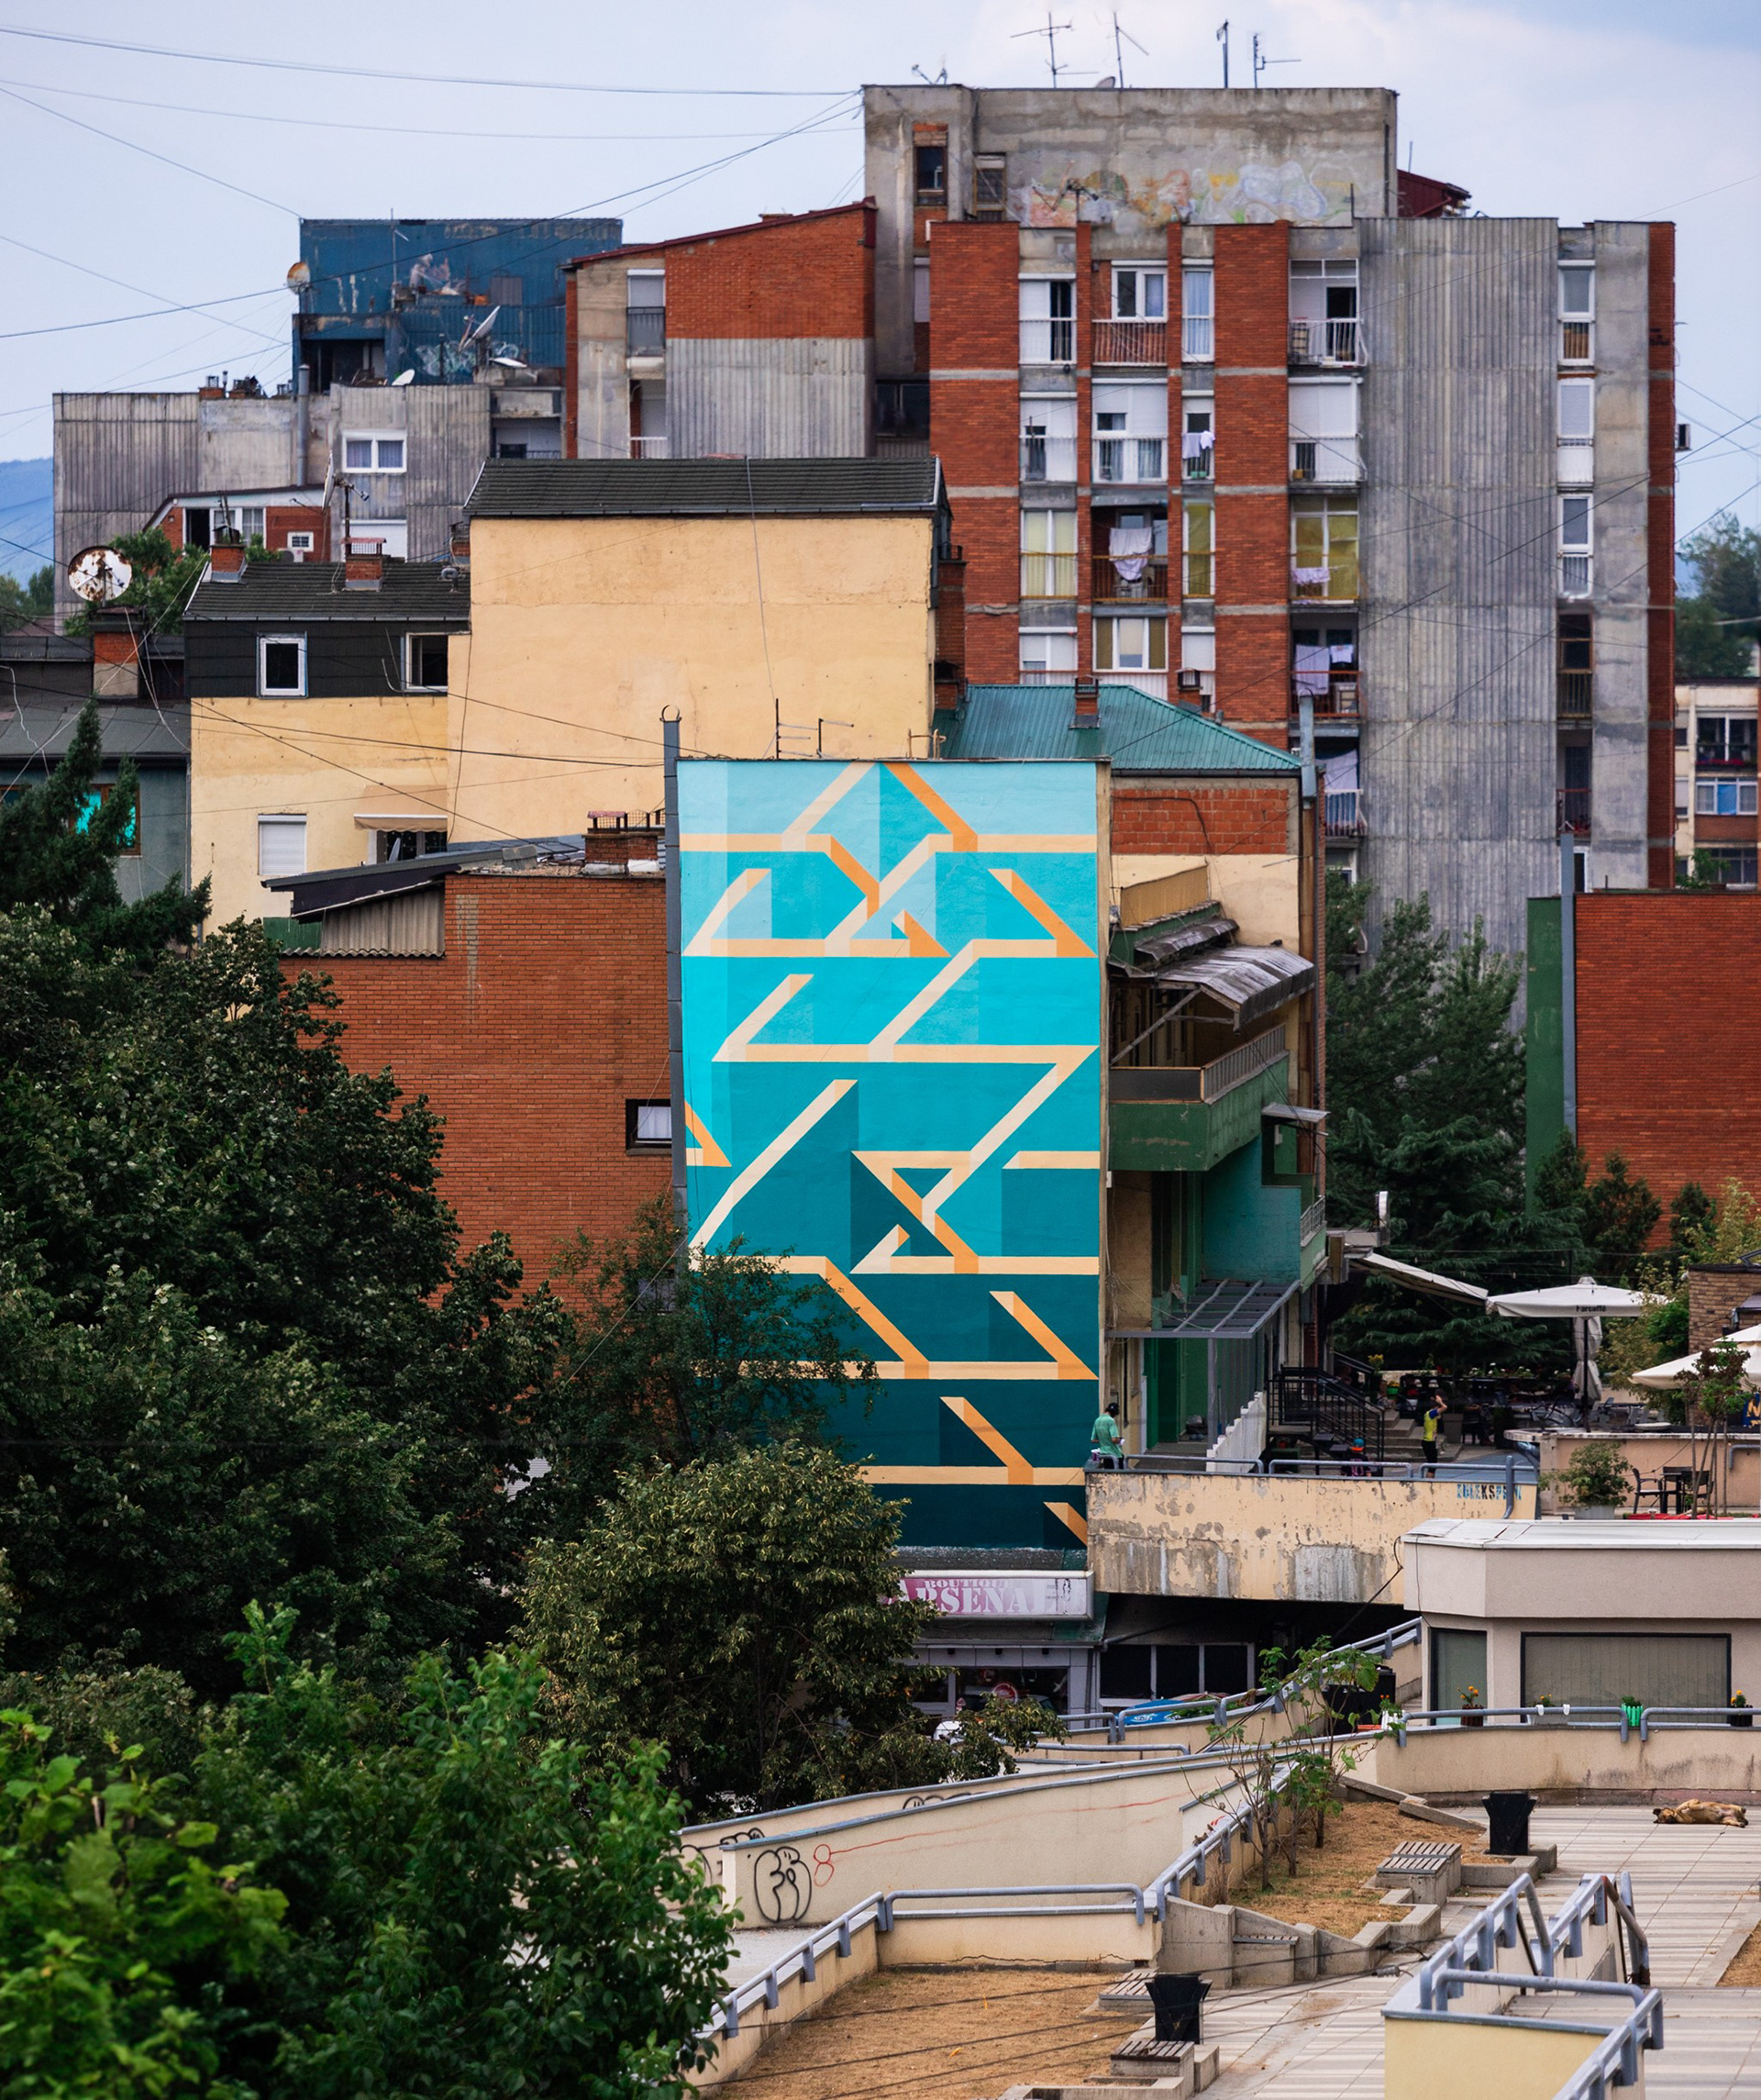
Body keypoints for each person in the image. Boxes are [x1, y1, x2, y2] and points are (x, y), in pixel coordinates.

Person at [1091, 1401, 1124, 1469]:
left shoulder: (1097, 1420)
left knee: (1108, 1472)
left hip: (1104, 1454)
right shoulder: (1111, 1421)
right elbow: (1114, 1439)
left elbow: (1093, 1440)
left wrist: (1104, 1439)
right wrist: (1119, 1440)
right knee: (1118, 1474)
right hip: (1115, 1454)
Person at [1421, 1395, 1445, 1472]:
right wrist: (1440, 1402)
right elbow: (1444, 1407)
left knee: (1432, 1465)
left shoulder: (1428, 1414)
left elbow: (1439, 1416)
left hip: (1429, 1440)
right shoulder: (1432, 1413)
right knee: (1432, 1466)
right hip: (1429, 1441)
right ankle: (1429, 1479)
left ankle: (1429, 1478)